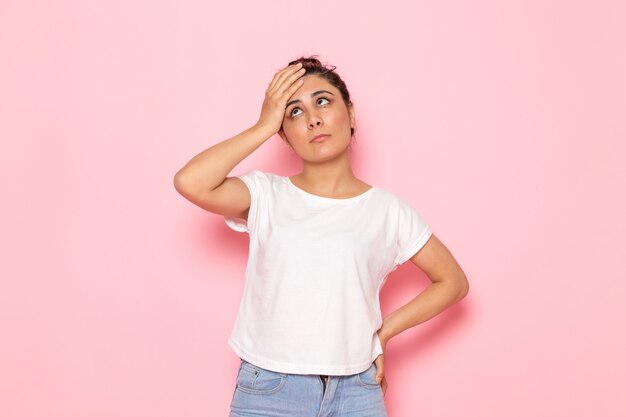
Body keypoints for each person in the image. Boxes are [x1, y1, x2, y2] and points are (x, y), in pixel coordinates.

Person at [173, 56, 469, 417]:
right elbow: (190, 182)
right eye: (294, 112)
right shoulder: (266, 194)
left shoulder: (389, 211)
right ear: (284, 135)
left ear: (351, 113)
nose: (313, 118)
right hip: (270, 389)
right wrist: (263, 124)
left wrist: (384, 332)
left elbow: (452, 282)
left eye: (323, 101)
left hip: (357, 390)